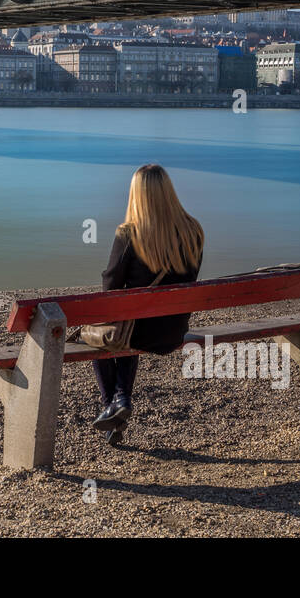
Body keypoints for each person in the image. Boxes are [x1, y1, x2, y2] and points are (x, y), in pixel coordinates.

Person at [91, 164, 204, 434]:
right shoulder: (193, 230)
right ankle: (118, 403)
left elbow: (110, 289)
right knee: (133, 321)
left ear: (136, 195)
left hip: (139, 332)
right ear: (169, 191)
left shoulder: (129, 233)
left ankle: (115, 404)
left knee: (99, 335)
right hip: (175, 330)